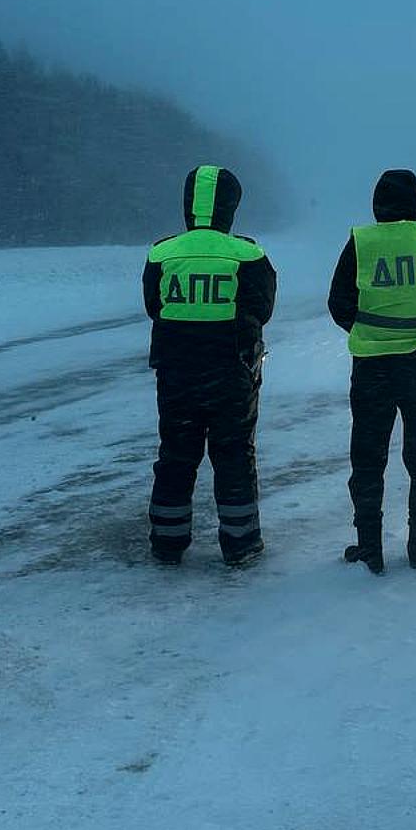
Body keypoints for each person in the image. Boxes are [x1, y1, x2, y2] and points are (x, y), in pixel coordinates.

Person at [328, 169, 416, 573]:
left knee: (368, 460)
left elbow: (338, 304)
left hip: (371, 370)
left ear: (377, 203)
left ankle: (370, 549)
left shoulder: (361, 242)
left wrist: (370, 333)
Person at [143, 165, 276, 566]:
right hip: (231, 373)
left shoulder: (162, 253)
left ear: (189, 205)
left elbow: (154, 308)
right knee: (234, 455)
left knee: (176, 455)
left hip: (176, 374)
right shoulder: (248, 254)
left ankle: (168, 541)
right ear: (230, 207)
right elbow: (262, 310)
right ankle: (241, 544)